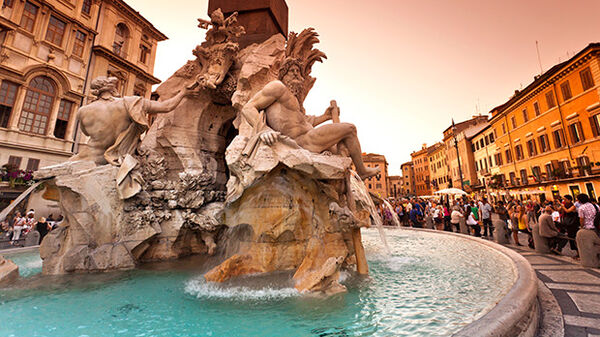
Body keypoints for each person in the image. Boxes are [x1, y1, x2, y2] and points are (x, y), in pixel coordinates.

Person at [241, 43, 379, 181]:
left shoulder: (292, 98)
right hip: (303, 142)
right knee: (350, 129)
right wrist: (263, 130)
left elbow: (303, 121)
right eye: (292, 70)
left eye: (298, 71)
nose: (296, 73)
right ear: (283, 74)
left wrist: (325, 117)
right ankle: (362, 171)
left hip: (310, 137)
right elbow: (248, 108)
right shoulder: (277, 87)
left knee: (344, 151)